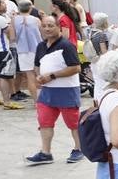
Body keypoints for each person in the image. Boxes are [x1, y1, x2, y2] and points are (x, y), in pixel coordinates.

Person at [25, 15, 85, 166]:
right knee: (44, 121)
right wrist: (39, 76)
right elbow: (37, 65)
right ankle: (46, 152)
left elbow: (76, 68)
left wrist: (52, 75)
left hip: (66, 90)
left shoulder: (66, 45)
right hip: (47, 91)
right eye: (44, 26)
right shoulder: (40, 46)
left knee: (73, 123)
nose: (47, 29)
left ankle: (79, 148)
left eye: (51, 25)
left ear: (59, 27)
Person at [11, 0, 43, 101]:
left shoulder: (14, 20)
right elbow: (43, 35)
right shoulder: (36, 20)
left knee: (30, 78)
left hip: (23, 51)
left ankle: (36, 102)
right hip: (37, 50)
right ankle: (45, 99)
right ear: (30, 8)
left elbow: (12, 38)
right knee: (42, 75)